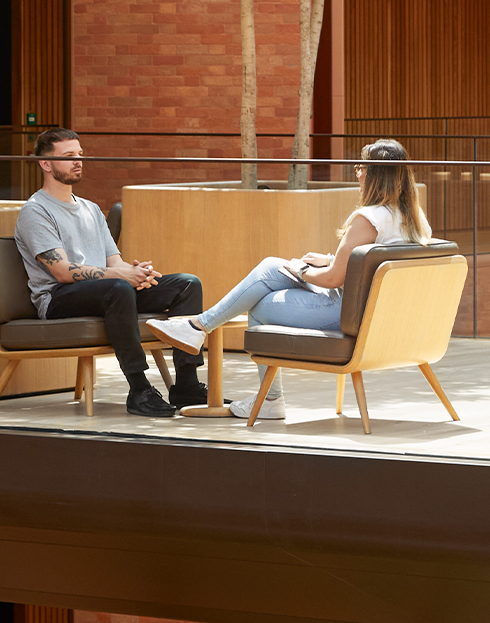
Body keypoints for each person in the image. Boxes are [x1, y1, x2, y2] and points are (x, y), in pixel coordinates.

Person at [148, 139, 436, 421]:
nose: (357, 172)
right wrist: (327, 261)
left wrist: (302, 272)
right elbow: (368, 265)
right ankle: (199, 326)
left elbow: (334, 279)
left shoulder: (367, 218)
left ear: (377, 175)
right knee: (272, 267)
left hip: (348, 313)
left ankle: (266, 395)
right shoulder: (414, 219)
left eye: (361, 167)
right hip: (382, 316)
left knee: (261, 304)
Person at [14, 127, 206, 419]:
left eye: (79, 155)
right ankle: (139, 389)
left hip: (106, 292)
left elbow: (114, 263)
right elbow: (62, 272)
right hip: (57, 299)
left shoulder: (90, 209)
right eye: (68, 156)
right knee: (117, 288)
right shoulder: (36, 211)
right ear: (45, 163)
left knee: (187, 285)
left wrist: (135, 272)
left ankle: (187, 386)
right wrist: (120, 277)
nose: (78, 161)